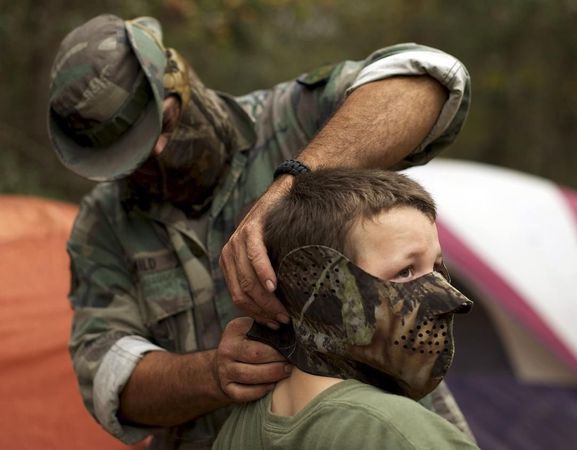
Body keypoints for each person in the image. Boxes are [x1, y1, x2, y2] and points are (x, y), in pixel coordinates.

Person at [48, 13, 471, 449]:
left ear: (179, 77)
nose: (156, 152)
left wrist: (294, 180)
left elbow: (428, 79)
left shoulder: (289, 117)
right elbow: (107, 378)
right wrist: (212, 374)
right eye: (132, 157)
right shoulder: (105, 227)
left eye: (166, 123)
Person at [212, 168, 479, 450]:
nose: (451, 297)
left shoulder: (238, 431)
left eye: (437, 268)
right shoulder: (395, 431)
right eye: (405, 272)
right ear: (327, 293)